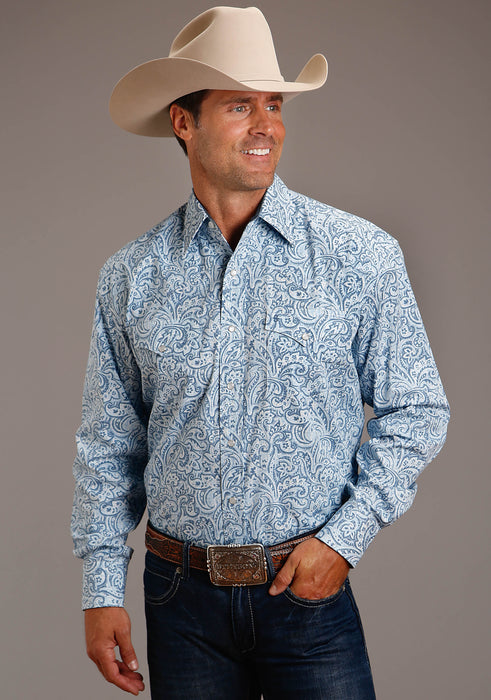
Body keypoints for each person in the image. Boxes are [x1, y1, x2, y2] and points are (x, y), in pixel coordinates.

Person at [72, 6, 449, 699]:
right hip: (179, 602)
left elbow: (418, 410)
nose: (266, 125)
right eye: (239, 106)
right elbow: (108, 442)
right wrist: (101, 590)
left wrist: (343, 540)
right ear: (183, 122)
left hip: (305, 596)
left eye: (273, 105)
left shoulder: (358, 255)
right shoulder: (131, 276)